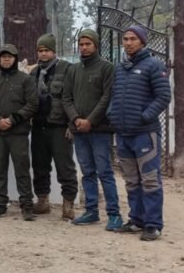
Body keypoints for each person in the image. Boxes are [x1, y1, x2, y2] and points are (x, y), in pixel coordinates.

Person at [107, 25, 171, 241]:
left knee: (150, 180)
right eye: (125, 39)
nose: (128, 42)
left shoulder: (154, 65)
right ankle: (136, 220)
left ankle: (153, 225)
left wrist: (145, 116)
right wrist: (112, 114)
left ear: (142, 42)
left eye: (133, 39)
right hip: (123, 134)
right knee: (132, 180)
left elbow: (163, 96)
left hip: (145, 133)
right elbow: (114, 95)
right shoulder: (120, 68)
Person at [63, 29, 122, 230]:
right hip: (79, 130)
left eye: (88, 44)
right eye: (81, 44)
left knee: (105, 172)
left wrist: (90, 120)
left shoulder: (107, 68)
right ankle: (91, 210)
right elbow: (66, 97)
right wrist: (76, 119)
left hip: (100, 130)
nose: (84, 48)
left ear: (95, 45)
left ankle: (114, 214)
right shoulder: (73, 70)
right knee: (87, 172)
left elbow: (107, 97)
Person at [0, 44, 38, 221]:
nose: (6, 59)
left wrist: (12, 120)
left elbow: (32, 104)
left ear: (15, 59)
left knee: (22, 170)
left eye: (10, 56)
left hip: (18, 132)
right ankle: (0, 204)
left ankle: (27, 206)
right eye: (3, 56)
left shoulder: (25, 79)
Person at [29, 34, 78, 220]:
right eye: (40, 51)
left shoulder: (67, 69)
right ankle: (42, 201)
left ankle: (68, 204)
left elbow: (74, 98)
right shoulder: (34, 72)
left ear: (54, 51)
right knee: (40, 166)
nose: (43, 54)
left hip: (59, 127)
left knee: (65, 167)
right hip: (39, 126)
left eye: (46, 50)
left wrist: (72, 123)